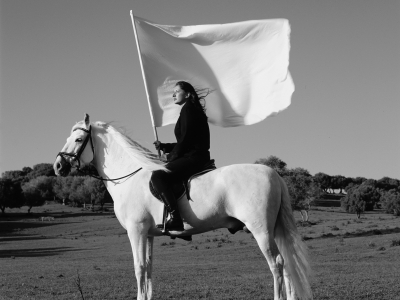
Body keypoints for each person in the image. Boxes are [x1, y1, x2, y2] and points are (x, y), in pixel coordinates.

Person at [151, 81, 211, 231]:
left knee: (158, 176)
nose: (173, 94)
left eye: (177, 91)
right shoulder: (190, 109)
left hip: (194, 157)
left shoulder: (188, 110)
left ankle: (175, 217)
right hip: (194, 154)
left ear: (188, 94)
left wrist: (170, 157)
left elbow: (185, 141)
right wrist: (165, 147)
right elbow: (186, 140)